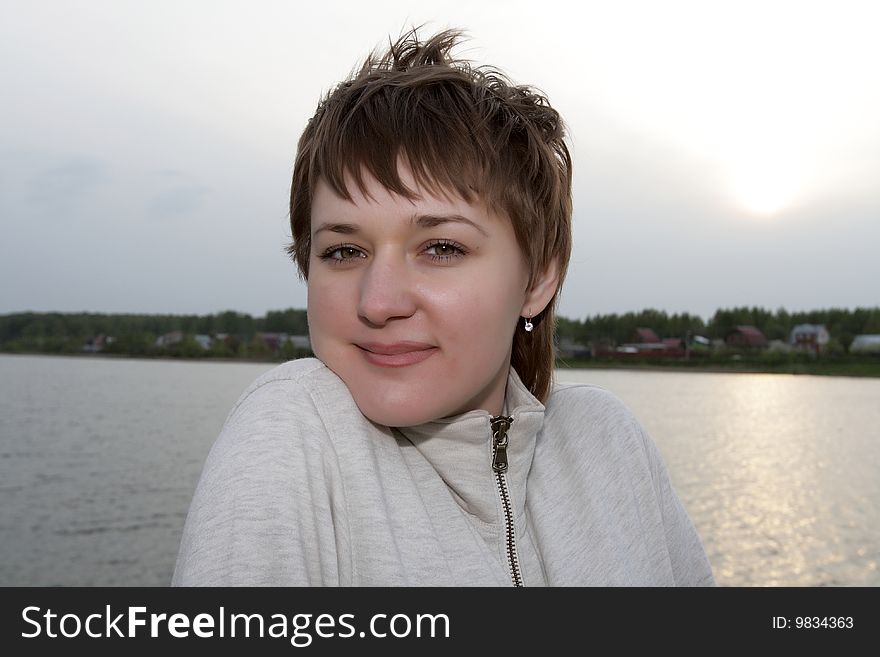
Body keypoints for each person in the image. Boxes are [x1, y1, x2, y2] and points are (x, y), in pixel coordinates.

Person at [172, 28, 715, 586]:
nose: (378, 301)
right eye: (345, 251)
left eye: (441, 248)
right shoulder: (293, 432)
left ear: (538, 276)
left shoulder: (609, 445)